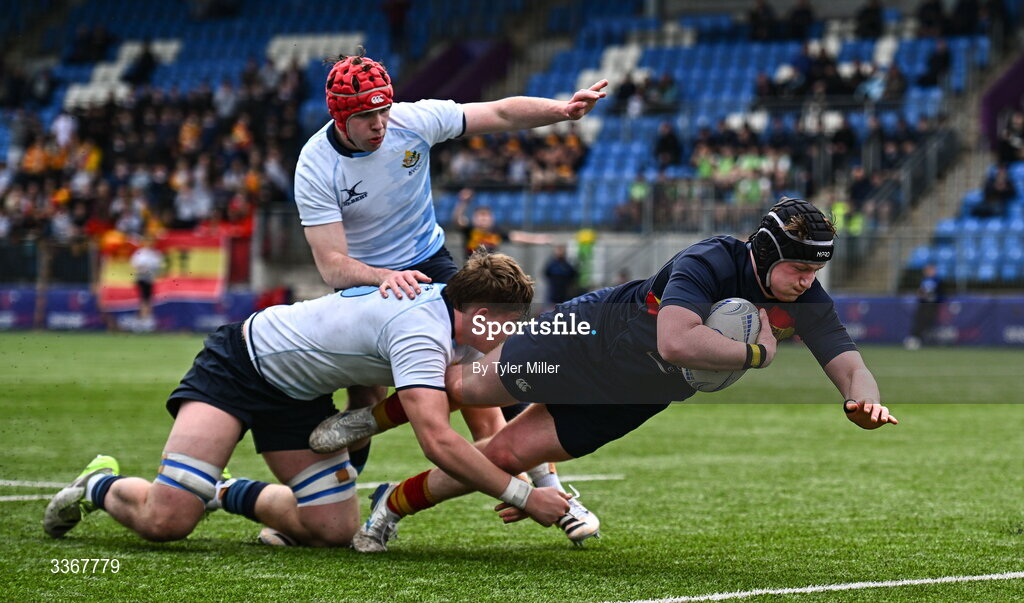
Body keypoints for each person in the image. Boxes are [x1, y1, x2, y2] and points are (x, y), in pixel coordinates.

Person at [320, 198, 899, 552]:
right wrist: (755, 356)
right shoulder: (711, 260)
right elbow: (676, 341)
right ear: (765, 252)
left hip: (633, 396)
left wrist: (863, 399)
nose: (806, 281)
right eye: (799, 267)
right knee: (464, 386)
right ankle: (369, 419)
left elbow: (843, 353)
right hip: (588, 338)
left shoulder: (802, 292)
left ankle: (389, 504)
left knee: (499, 458)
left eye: (815, 270)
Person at [43, 252, 573, 546]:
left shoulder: (450, 318)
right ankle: (98, 484)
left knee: (333, 529)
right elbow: (437, 441)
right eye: (505, 322)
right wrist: (528, 496)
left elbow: (487, 419)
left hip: (299, 394)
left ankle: (218, 492)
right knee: (166, 523)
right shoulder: (422, 333)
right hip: (241, 365)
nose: (508, 333)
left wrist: (533, 478)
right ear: (478, 309)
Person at [293, 48, 606, 532]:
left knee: (485, 368)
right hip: (368, 280)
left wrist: (560, 110)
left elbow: (499, 112)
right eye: (366, 116)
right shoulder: (316, 164)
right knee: (363, 395)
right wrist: (382, 277)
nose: (379, 124)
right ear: (339, 116)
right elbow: (333, 266)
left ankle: (552, 495)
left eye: (384, 110)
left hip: (431, 265)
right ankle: (323, 512)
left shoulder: (411, 122)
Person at [452, 188, 551, 261]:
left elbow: (518, 237)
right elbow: (457, 219)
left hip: (490, 271)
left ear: (492, 218)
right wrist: (463, 202)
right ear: (474, 219)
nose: (483, 219)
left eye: (486, 216)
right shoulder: (470, 230)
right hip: (471, 270)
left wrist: (539, 239)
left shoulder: (496, 232)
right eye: (480, 216)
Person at [905, 263, 944, 350]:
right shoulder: (923, 280)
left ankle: (926, 341)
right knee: (919, 321)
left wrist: (932, 296)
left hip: (932, 305)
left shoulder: (937, 280)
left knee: (929, 323)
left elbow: (940, 293)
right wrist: (921, 294)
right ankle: (915, 339)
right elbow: (920, 292)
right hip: (923, 304)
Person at [128, 237, 163, 332]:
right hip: (142, 279)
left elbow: (159, 266)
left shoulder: (155, 253)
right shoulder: (141, 253)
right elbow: (136, 265)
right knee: (144, 300)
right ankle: (142, 320)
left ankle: (146, 320)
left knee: (148, 300)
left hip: (151, 279)